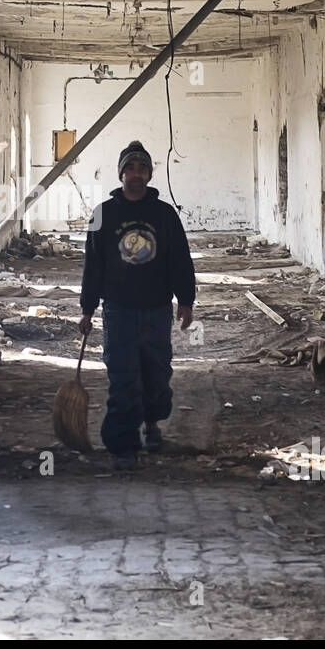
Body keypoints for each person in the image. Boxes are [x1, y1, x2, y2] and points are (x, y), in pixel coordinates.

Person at [78, 141, 195, 470]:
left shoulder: (164, 214)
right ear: (121, 173)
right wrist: (87, 308)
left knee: (156, 372)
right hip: (118, 309)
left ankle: (152, 424)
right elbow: (93, 265)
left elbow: (179, 260)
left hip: (156, 308)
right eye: (130, 168)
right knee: (123, 374)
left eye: (142, 168)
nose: (136, 174)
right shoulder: (104, 215)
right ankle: (122, 445)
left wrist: (185, 300)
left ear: (149, 174)